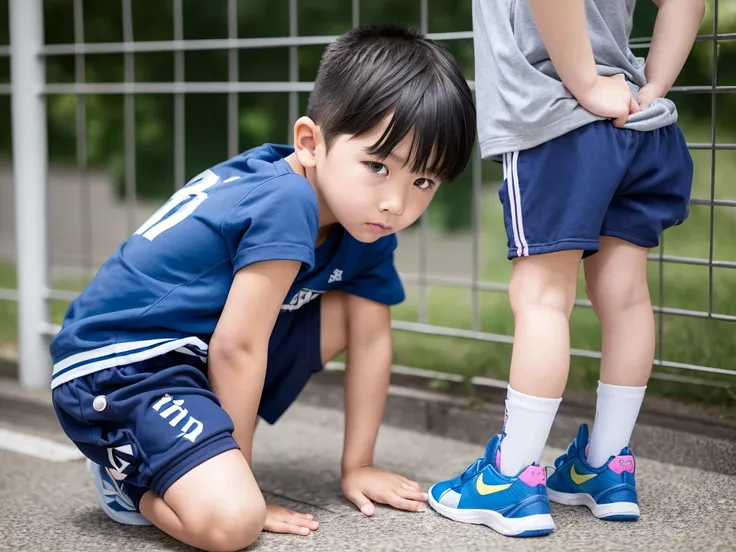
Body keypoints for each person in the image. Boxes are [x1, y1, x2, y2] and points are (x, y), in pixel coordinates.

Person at [50, 25, 476, 552]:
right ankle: (129, 483)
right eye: (376, 165)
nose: (397, 202)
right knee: (233, 523)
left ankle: (194, 462)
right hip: (120, 365)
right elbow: (238, 347)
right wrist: (242, 483)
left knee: (351, 311)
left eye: (423, 181)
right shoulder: (286, 199)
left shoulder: (365, 221)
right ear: (310, 142)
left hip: (192, 350)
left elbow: (371, 341)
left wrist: (358, 465)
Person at [428, 0, 704, 538]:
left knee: (541, 299)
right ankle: (605, 466)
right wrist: (652, 89)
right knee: (626, 297)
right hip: (638, 123)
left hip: (555, 116)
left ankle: (510, 479)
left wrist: (583, 82)